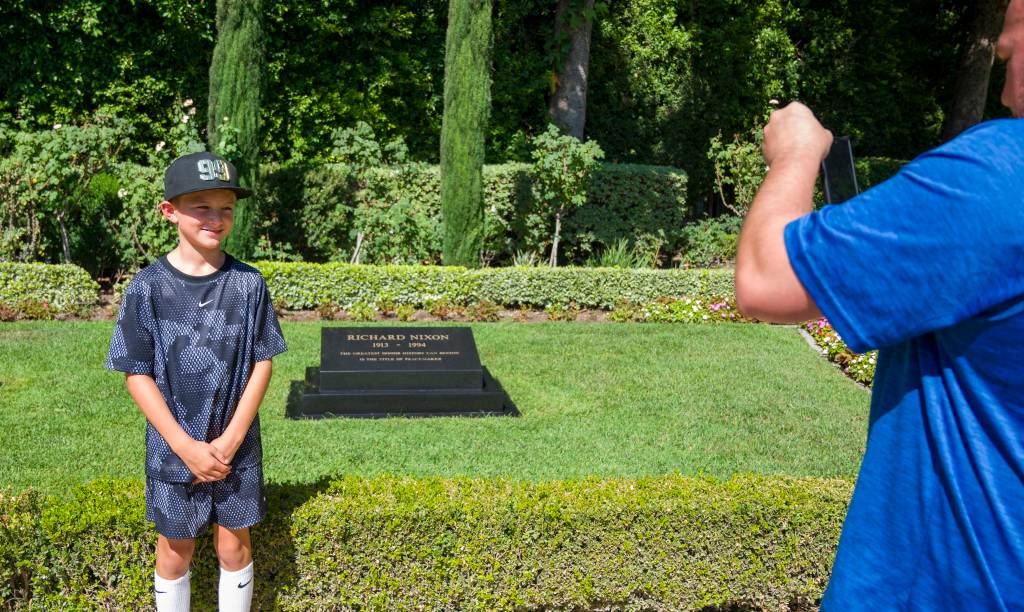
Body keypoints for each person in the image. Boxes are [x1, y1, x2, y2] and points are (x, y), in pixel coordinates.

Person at [735, 1, 1024, 609]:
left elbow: (766, 280)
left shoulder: (1000, 175)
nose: (1000, 55)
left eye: (1010, 36)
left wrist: (795, 157)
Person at [106, 151, 287, 611]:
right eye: (201, 206)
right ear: (170, 211)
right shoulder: (147, 287)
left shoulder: (249, 284)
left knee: (234, 543)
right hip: (173, 447)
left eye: (226, 208)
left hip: (236, 447)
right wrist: (185, 446)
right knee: (175, 547)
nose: (216, 218)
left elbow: (262, 361)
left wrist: (231, 439)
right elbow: (136, 371)